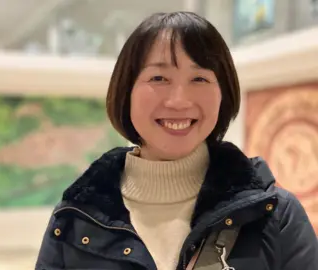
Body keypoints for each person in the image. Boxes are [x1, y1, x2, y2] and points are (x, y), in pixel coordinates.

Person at [35, 11, 318, 270]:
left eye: (199, 79)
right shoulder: (75, 219)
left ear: (224, 94)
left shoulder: (276, 216)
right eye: (159, 78)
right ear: (127, 91)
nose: (179, 100)